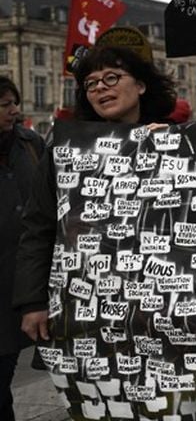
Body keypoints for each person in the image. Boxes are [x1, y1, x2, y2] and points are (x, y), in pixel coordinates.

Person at [15, 46, 178, 345]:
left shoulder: (176, 140)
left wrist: (175, 152)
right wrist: (32, 302)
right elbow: (38, 227)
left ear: (141, 85)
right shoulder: (64, 151)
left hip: (160, 302)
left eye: (111, 77)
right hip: (86, 301)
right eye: (90, 83)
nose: (100, 87)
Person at [1, 78, 42, 421]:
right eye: (5, 105)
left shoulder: (31, 144)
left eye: (14, 102)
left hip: (24, 277)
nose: (14, 110)